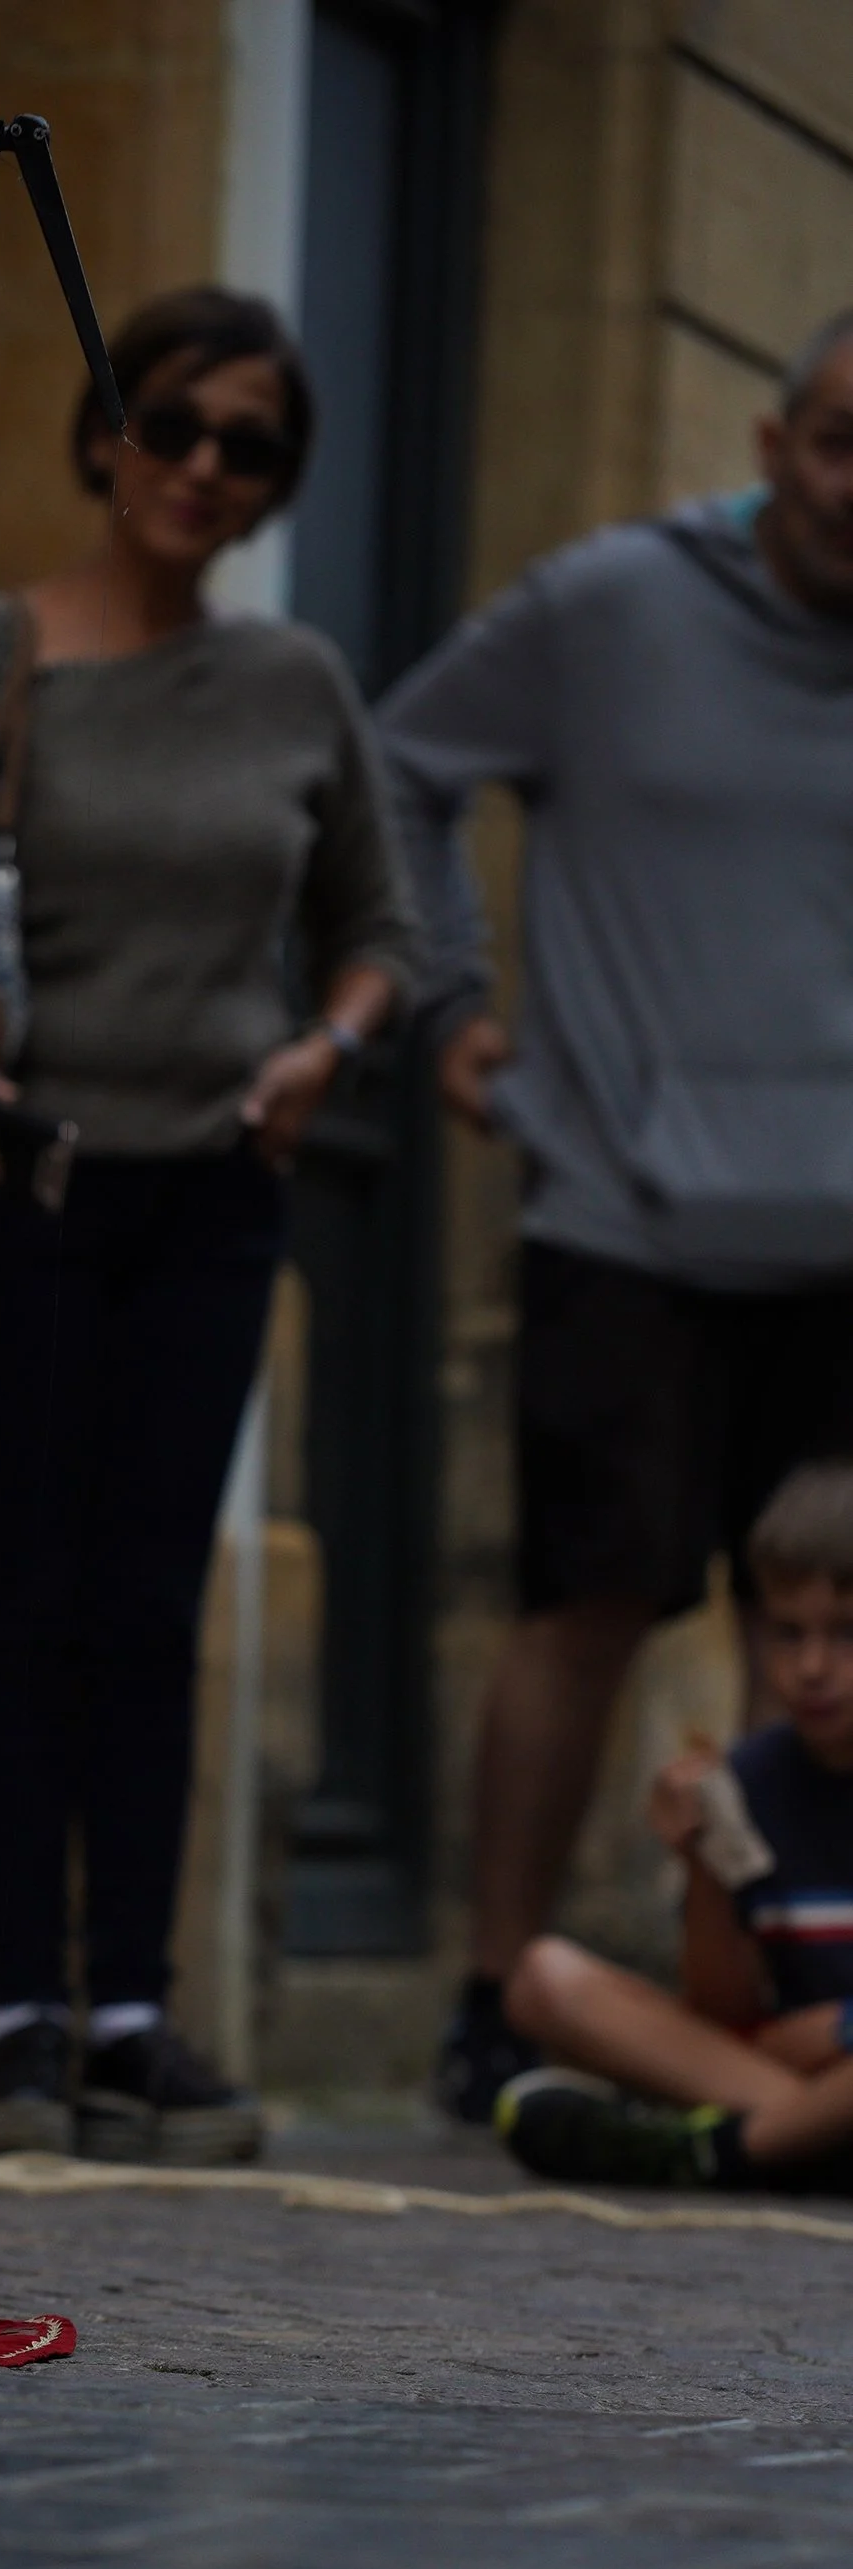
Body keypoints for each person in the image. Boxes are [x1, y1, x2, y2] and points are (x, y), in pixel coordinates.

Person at [0, 285, 416, 2164]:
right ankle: (25, 2027)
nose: (206, 467)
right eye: (178, 423)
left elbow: (390, 930)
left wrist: (326, 1050)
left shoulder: (299, 686)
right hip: (12, 1183)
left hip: (215, 1187)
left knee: (151, 1603)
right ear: (109, 428)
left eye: (252, 447)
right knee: (28, 1597)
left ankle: (135, 2012)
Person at [377, 310, 853, 2131]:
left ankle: (795, 2018)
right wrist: (446, 1000)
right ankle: (496, 2006)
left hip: (845, 1232)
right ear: (772, 435)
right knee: (583, 1604)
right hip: (627, 1211)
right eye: (837, 442)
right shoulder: (607, 606)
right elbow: (398, 765)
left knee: (818, 1640)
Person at [499, 1464, 853, 2191]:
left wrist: (842, 2030)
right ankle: (815, 2137)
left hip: (816, 2060)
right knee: (544, 1980)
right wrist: (702, 1865)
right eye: (788, 1635)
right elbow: (724, 2012)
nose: (813, 1667)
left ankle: (725, 2151)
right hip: (782, 2069)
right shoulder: (754, 1777)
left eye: (846, 1635)